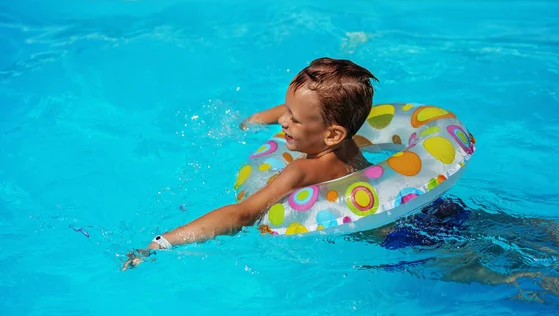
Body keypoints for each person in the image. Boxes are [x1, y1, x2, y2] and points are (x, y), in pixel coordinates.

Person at [122, 58, 379, 270]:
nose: (283, 120)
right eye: (286, 110)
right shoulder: (351, 144)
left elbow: (242, 215)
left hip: (381, 244)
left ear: (333, 135)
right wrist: (254, 120)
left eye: (294, 119)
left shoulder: (302, 170)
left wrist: (162, 241)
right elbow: (300, 108)